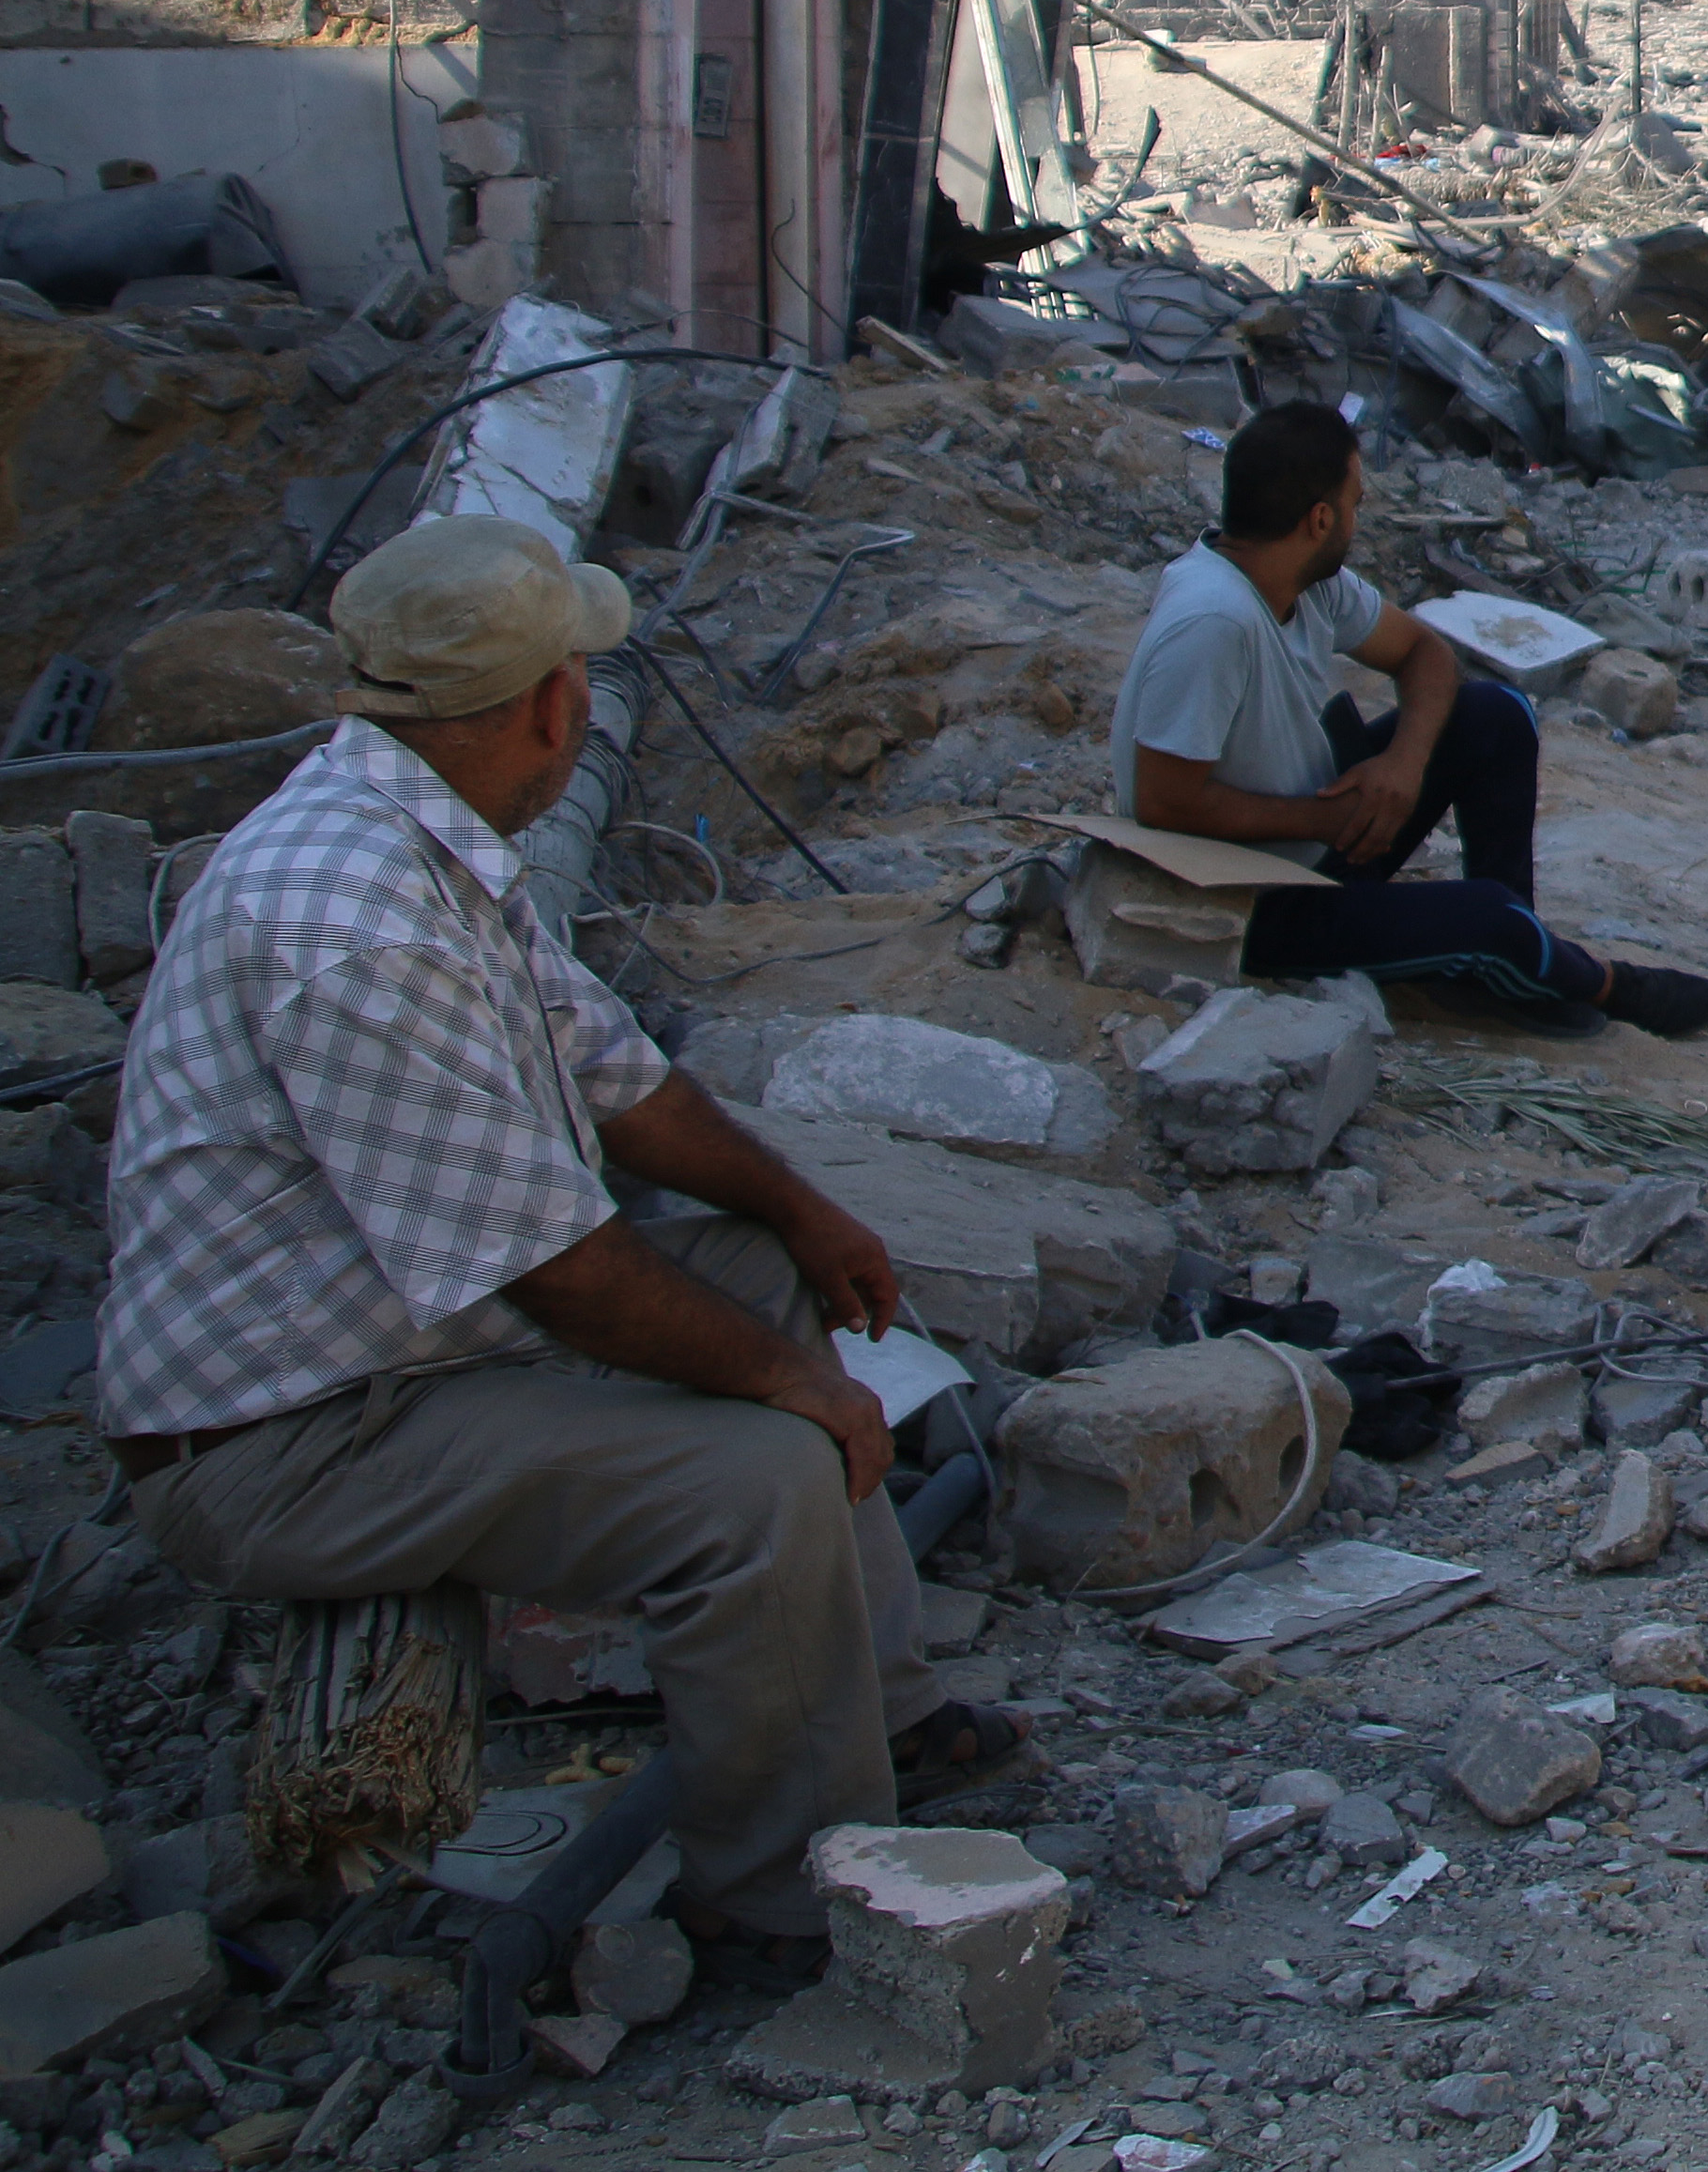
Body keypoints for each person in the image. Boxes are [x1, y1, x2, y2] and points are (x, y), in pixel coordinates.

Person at [99, 516, 1030, 1948]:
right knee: (756, 1477)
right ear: (551, 702)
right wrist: (799, 1387)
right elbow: (556, 1268)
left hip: (392, 1347)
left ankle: (882, 1718)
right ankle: (783, 1893)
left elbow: (617, 1076)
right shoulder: (361, 925)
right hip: (283, 1437)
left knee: (766, 1279)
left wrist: (797, 1207)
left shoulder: (416, 834)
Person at [1115, 400, 1708, 1039]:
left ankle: (1514, 965)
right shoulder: (1214, 621)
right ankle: (1608, 985)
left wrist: (1402, 766)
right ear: (1319, 519)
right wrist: (1322, 820)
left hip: (1326, 832)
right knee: (1487, 920)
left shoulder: (1301, 577)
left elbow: (1426, 655)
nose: (1358, 518)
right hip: (1256, 895)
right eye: (1354, 503)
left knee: (1496, 713)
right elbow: (1165, 801)